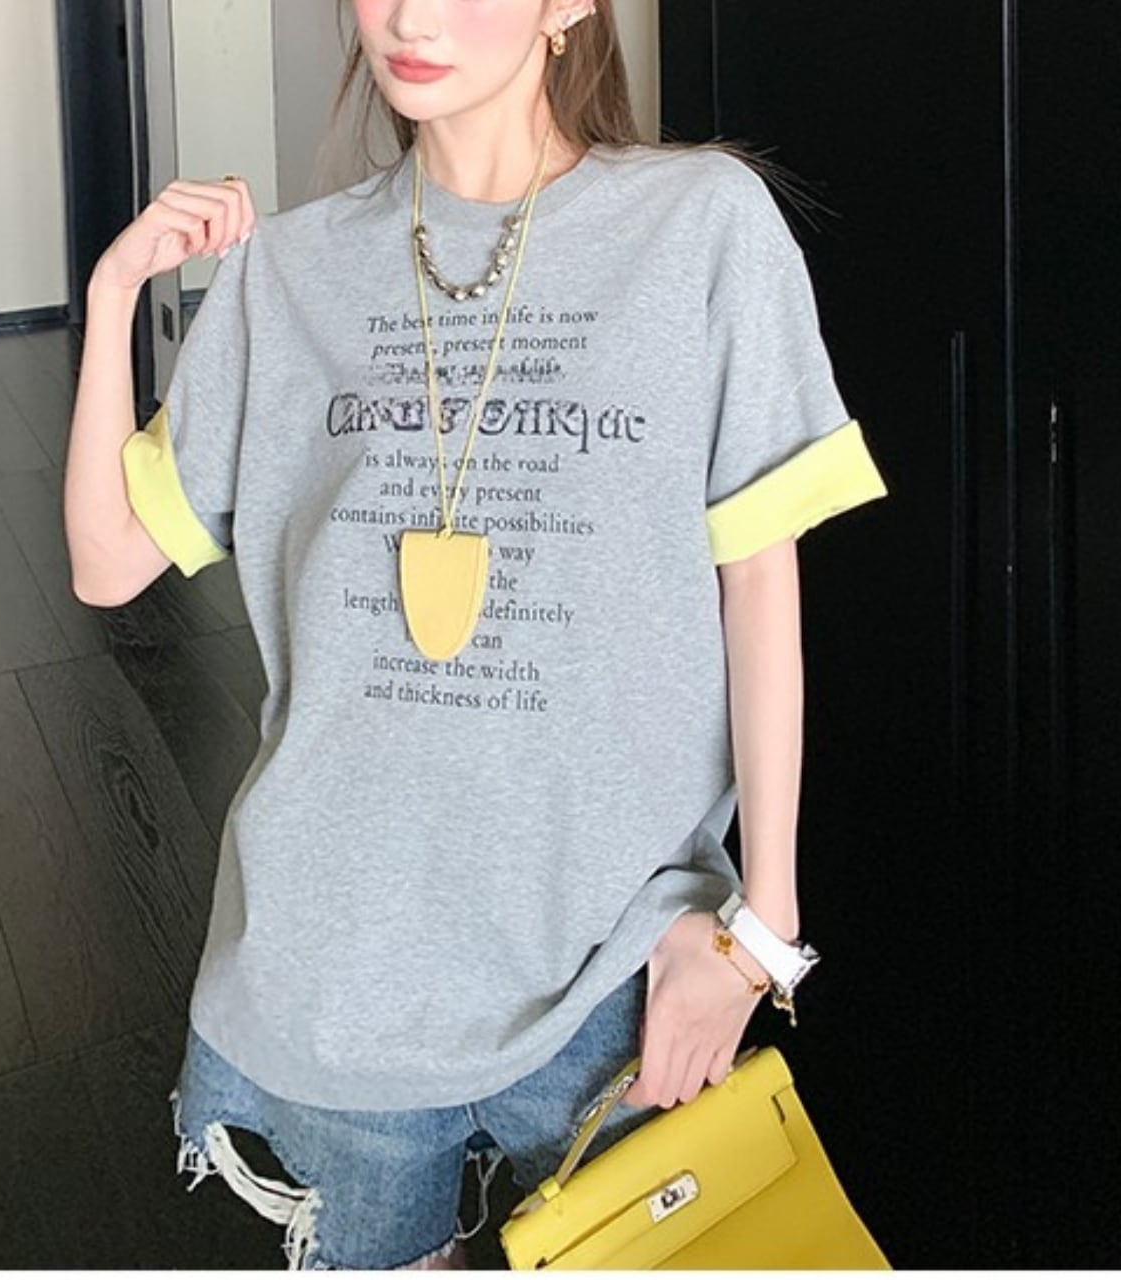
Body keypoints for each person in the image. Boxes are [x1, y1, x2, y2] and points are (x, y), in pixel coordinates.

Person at [63, 0, 888, 1269]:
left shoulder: (700, 227)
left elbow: (758, 587)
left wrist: (759, 934)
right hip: (337, 964)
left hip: (610, 957)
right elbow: (108, 559)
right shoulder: (290, 270)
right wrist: (115, 291)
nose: (407, 17)